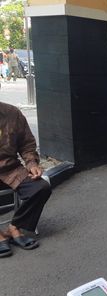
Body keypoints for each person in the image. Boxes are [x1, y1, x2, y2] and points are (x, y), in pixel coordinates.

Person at [0, 101, 52, 258]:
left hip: (10, 169)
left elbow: (27, 144)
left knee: (41, 187)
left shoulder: (12, 113)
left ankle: (15, 227)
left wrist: (31, 164)